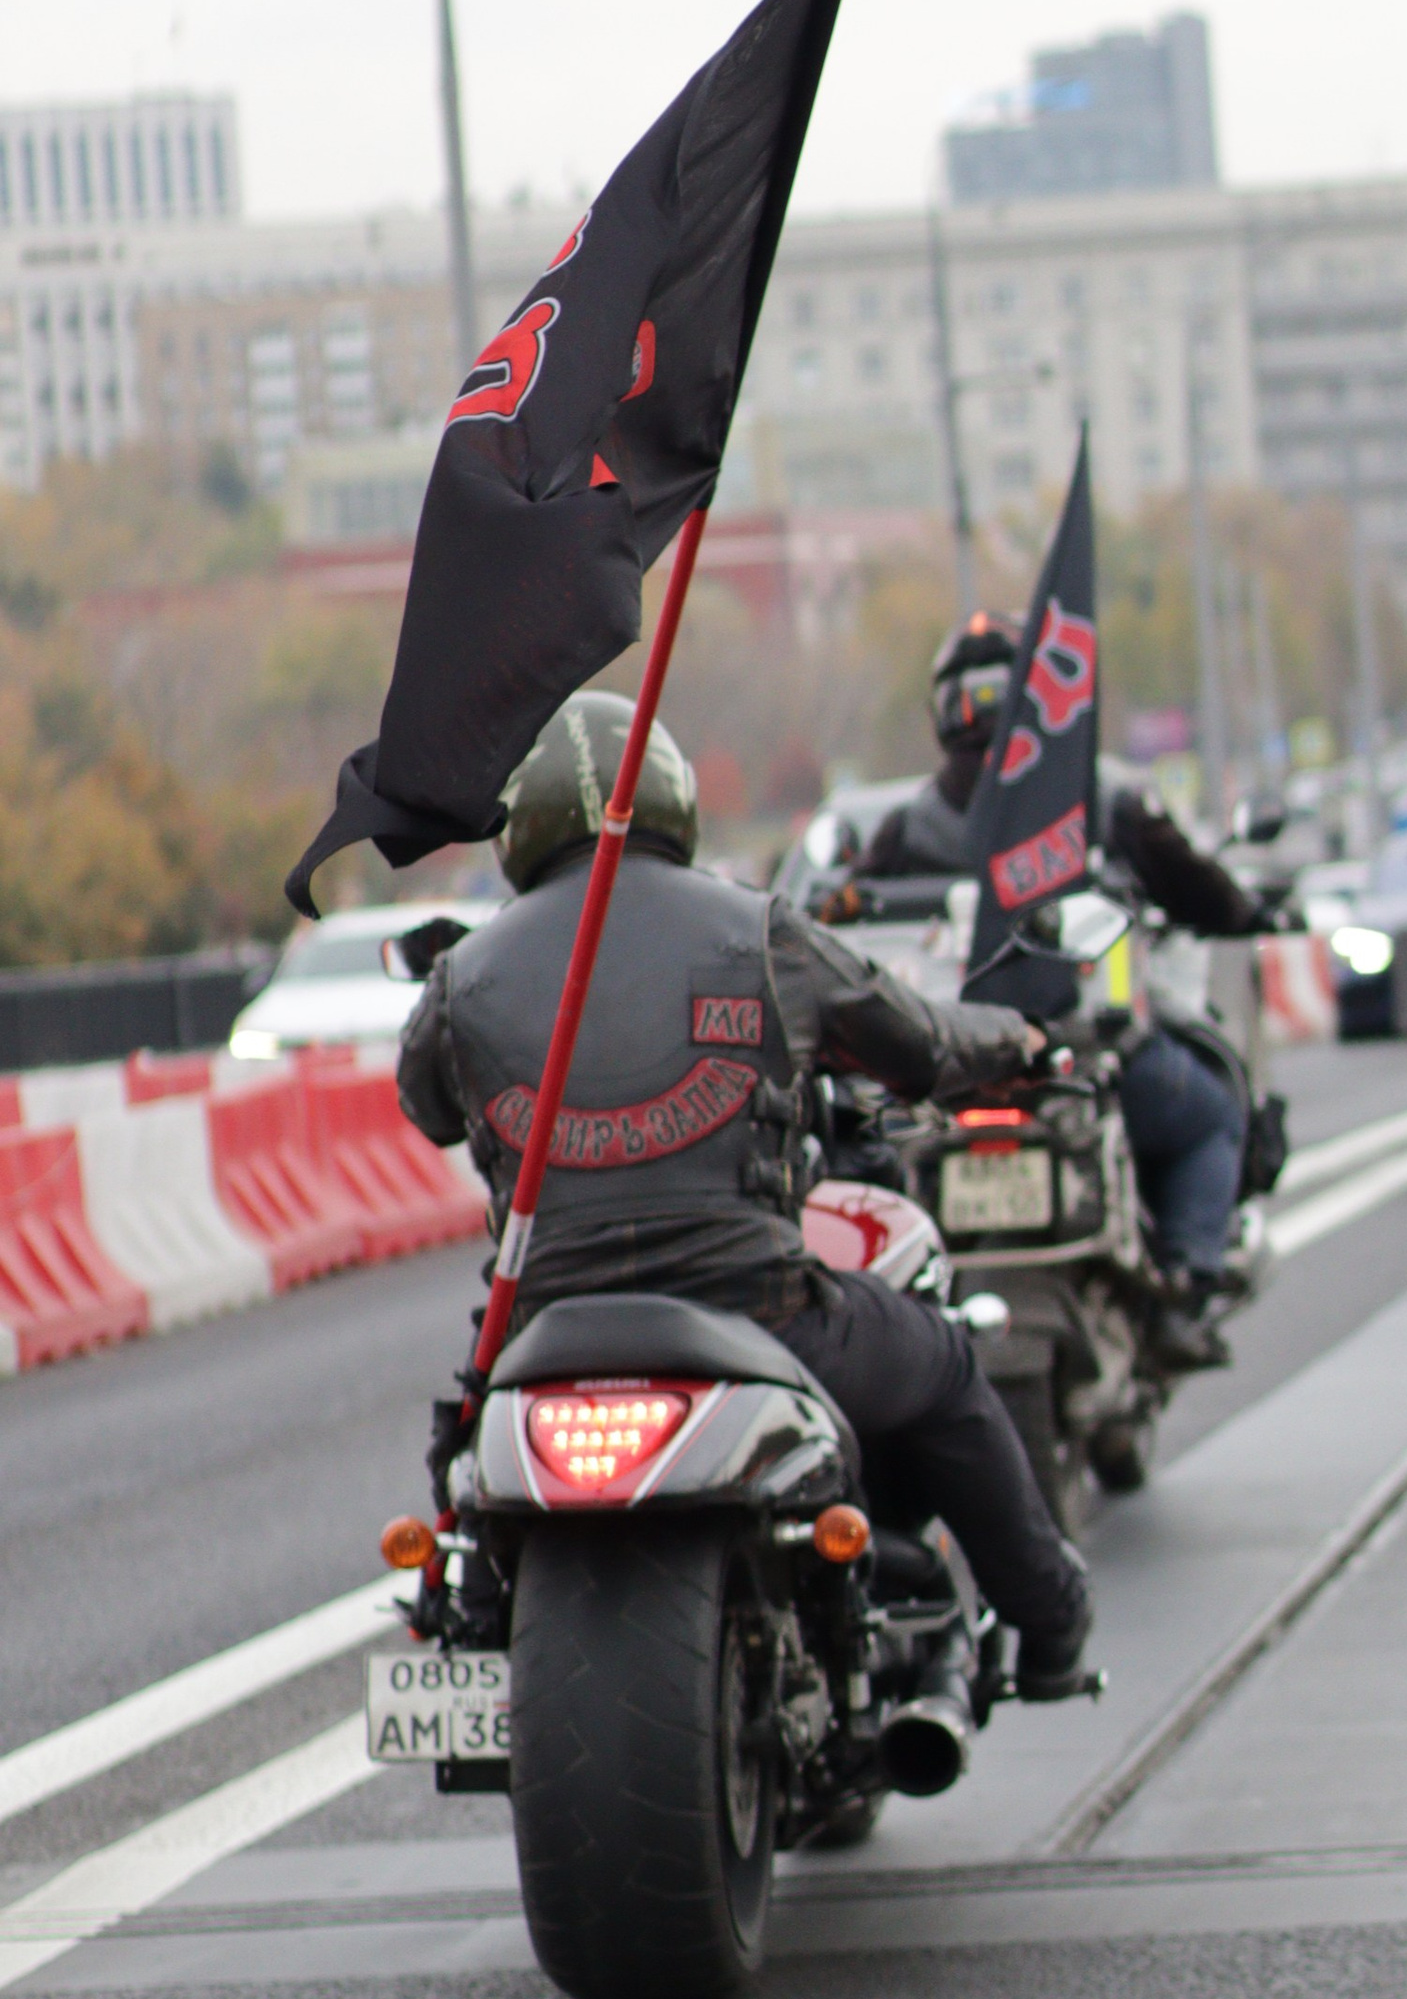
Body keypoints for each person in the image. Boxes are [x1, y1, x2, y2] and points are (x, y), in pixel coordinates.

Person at [397, 690, 1094, 1696]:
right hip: (759, 1314)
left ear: (522, 826)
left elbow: (426, 1106)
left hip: (547, 1333)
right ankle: (1051, 1618)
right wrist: (1019, 1040)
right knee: (944, 1362)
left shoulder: (465, 974)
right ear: (675, 802)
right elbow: (925, 1046)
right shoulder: (760, 933)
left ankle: (470, 1633)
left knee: (462, 1452)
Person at [860, 609, 1273, 1370]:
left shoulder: (904, 829)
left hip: (947, 1076)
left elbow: (844, 929)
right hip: (1087, 1060)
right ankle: (1187, 1284)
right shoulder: (1107, 799)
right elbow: (1196, 887)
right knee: (1210, 1114)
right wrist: (1248, 912)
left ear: (942, 710)